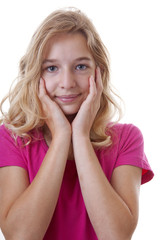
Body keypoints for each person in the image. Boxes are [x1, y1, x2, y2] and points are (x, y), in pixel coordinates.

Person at [0, 8, 154, 240]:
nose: (67, 82)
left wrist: (80, 136)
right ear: (34, 76)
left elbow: (116, 236)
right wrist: (62, 137)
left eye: (80, 66)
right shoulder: (12, 138)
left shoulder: (127, 139)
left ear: (99, 73)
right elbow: (21, 236)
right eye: (51, 68)